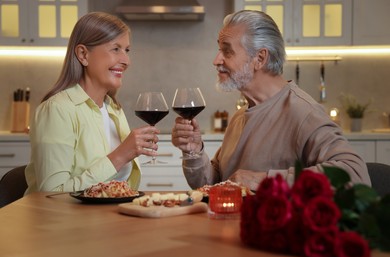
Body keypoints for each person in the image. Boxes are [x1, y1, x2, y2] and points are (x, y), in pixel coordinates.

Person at [171, 10, 371, 191]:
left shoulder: (303, 112)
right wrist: (194, 152)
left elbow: (354, 174)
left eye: (227, 51)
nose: (216, 60)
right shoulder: (240, 116)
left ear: (260, 58)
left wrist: (265, 180)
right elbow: (214, 185)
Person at [25, 12, 160, 194]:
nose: (126, 60)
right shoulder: (57, 109)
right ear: (83, 54)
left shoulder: (114, 109)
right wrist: (120, 156)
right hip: (65, 222)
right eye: (115, 49)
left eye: (127, 50)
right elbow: (51, 193)